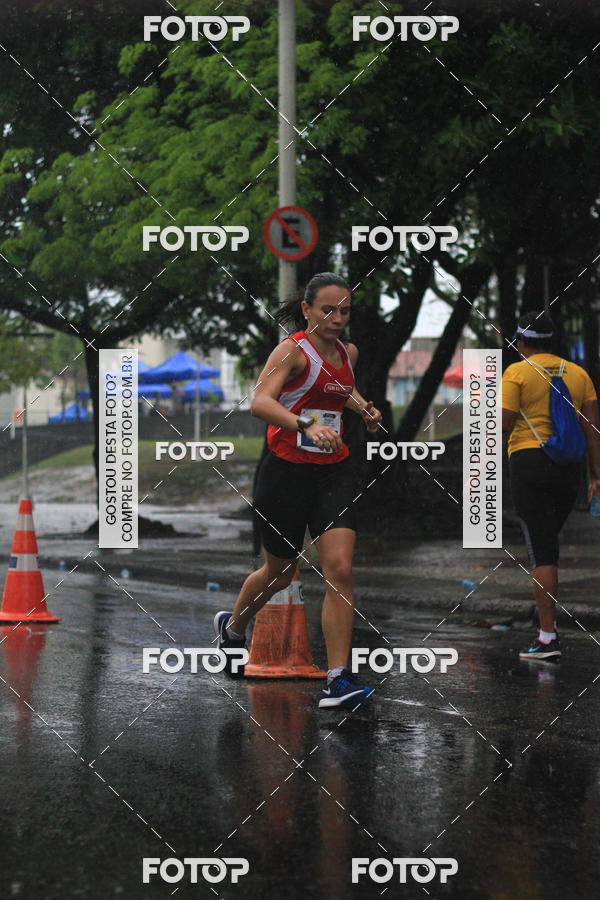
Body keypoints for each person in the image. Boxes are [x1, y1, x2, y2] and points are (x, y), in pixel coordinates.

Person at [213, 272, 383, 707]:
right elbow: (261, 401)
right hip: (285, 472)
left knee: (340, 569)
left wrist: (363, 408)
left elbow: (340, 389)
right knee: (280, 572)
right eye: (327, 309)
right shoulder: (290, 350)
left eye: (344, 311)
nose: (337, 318)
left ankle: (338, 678)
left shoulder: (350, 352)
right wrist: (305, 423)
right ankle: (232, 630)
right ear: (306, 309)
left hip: (335, 471)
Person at [501, 311, 600, 662]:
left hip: (529, 464)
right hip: (568, 468)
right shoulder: (579, 374)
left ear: (522, 341)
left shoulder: (517, 372)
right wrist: (596, 476)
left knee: (543, 551)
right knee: (546, 544)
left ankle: (547, 637)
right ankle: (542, 619)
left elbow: (503, 423)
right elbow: (591, 428)